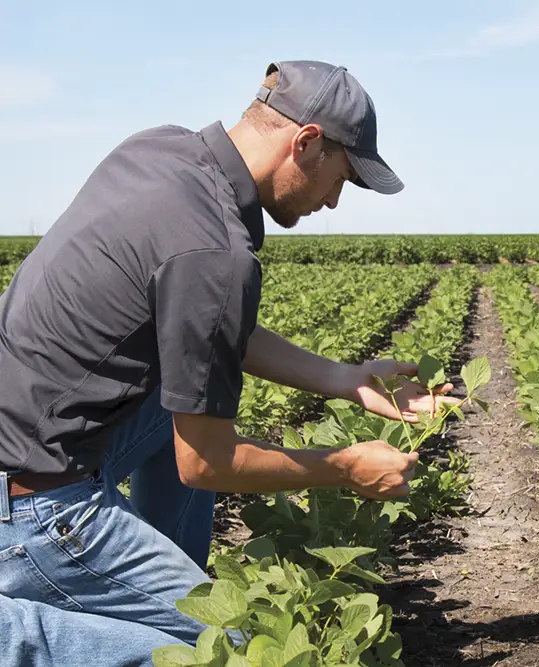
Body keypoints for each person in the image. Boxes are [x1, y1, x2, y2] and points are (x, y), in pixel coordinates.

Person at [0, 60, 455, 666]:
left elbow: (203, 323)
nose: (336, 202)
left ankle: (161, 586)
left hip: (31, 448)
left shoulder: (160, 151)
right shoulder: (216, 249)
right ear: (308, 142)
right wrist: (345, 466)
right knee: (240, 645)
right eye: (342, 177)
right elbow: (206, 462)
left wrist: (344, 379)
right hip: (37, 505)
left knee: (173, 404)